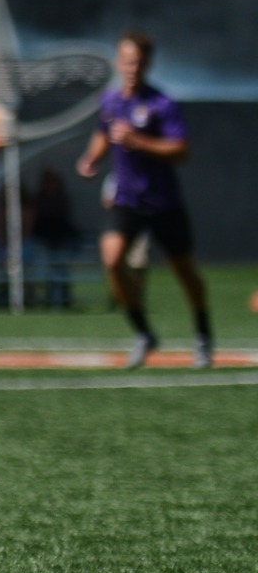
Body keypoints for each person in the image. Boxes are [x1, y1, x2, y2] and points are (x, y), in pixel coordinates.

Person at [77, 31, 211, 369]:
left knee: (185, 272)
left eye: (137, 61)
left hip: (163, 201)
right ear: (117, 63)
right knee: (111, 259)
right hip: (127, 199)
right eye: (126, 60)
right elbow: (103, 134)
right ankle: (143, 333)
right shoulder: (110, 102)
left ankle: (203, 333)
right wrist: (91, 158)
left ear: (147, 63)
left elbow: (181, 150)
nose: (131, 67)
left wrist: (140, 141)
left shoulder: (161, 104)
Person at [28, 169, 78, 309]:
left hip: (60, 240)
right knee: (44, 273)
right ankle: (47, 300)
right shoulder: (39, 198)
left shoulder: (61, 198)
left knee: (60, 272)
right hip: (43, 240)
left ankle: (60, 301)